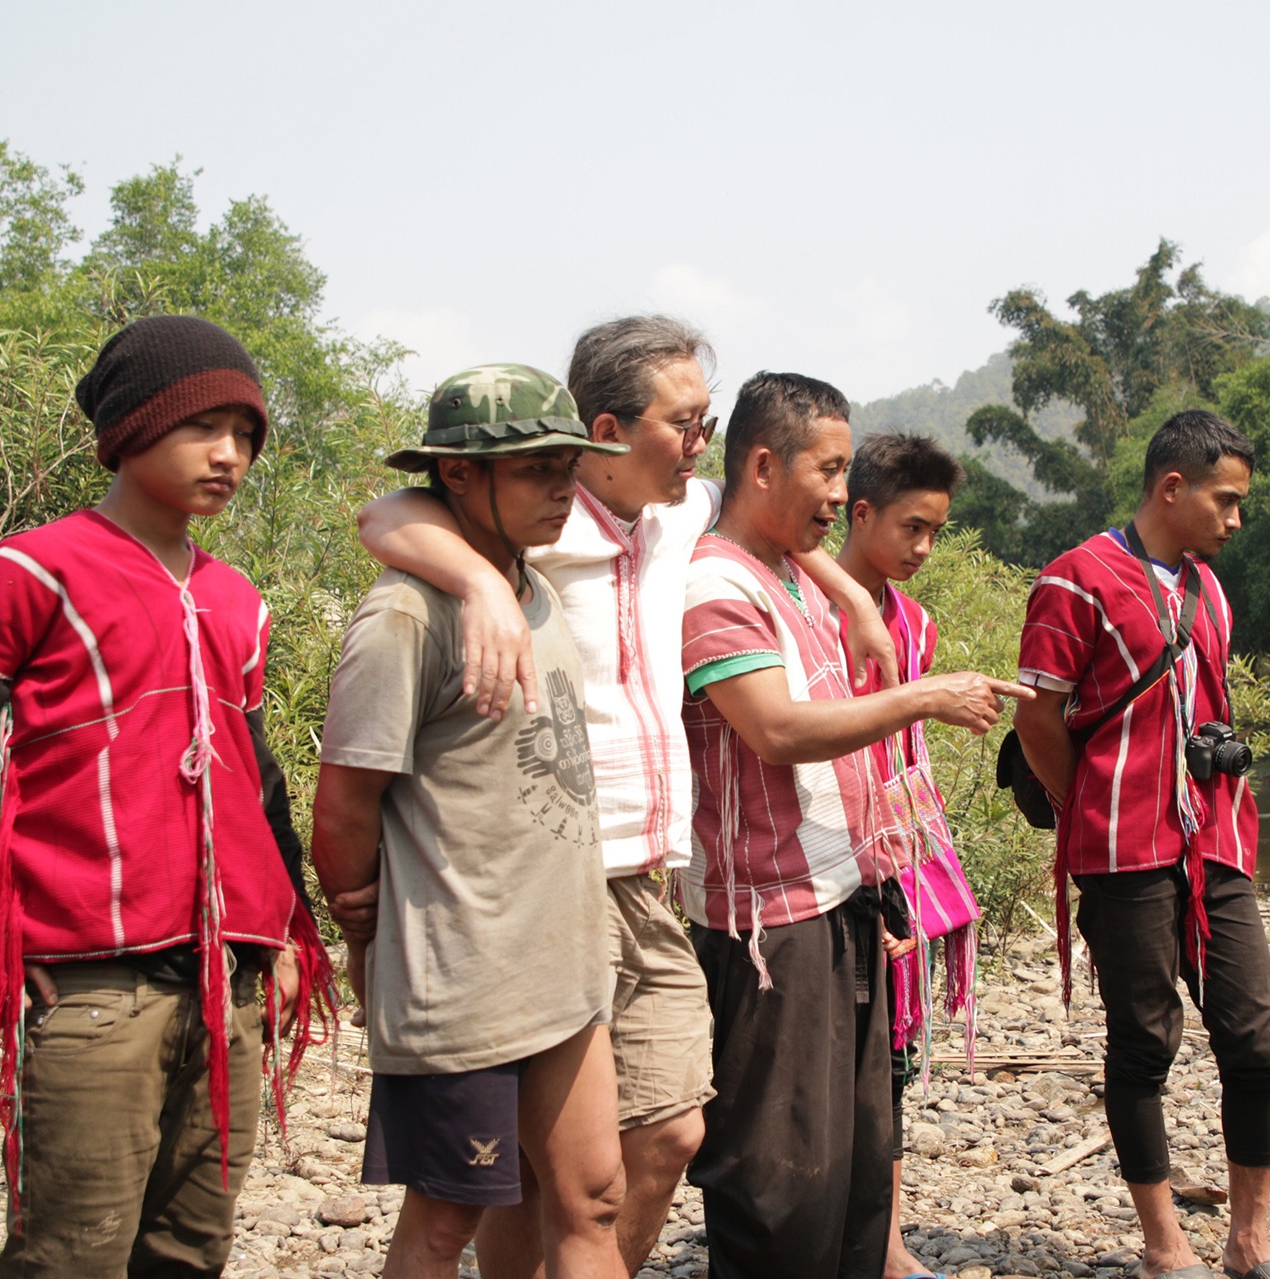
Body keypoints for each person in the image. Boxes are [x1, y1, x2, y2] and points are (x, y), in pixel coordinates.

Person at [348, 317, 899, 1278]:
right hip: (543, 884)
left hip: (647, 877)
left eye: (707, 421)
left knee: (670, 1129)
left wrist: (847, 593)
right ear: (610, 427)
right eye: (685, 422)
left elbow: (760, 515)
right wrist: (479, 584)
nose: (702, 442)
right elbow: (385, 517)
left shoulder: (676, 513)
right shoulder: (534, 531)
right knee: (515, 1175)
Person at [0, 315, 333, 1279]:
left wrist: (290, 931)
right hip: (89, 984)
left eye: (247, 432)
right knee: (71, 1254)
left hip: (231, 984)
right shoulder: (30, 572)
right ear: (130, 428)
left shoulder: (236, 598)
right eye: (203, 425)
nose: (230, 454)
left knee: (192, 1249)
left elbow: (260, 783)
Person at [680, 372, 1031, 1279]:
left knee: (855, 1164)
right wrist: (924, 693)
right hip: (771, 924)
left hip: (838, 900)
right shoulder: (718, 586)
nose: (841, 495)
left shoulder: (791, 570)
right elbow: (779, 729)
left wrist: (859, 602)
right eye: (829, 472)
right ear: (763, 466)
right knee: (779, 1185)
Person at [310, 365, 630, 1279]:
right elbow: (346, 800)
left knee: (591, 1196)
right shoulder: (406, 617)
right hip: (465, 978)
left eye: (569, 464)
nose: (563, 487)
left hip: (560, 968)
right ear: (458, 476)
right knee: (443, 1220)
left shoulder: (527, 584)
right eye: (535, 468)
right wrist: (360, 911)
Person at [1011, 410, 1270, 1279]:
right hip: (1121, 849)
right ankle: (1167, 1247)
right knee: (1144, 1041)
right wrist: (1087, 802)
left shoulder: (1209, 590)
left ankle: (1250, 1241)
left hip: (1215, 845)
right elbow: (1037, 718)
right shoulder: (1075, 579)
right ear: (1173, 487)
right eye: (1226, 499)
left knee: (1257, 1038)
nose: (1235, 519)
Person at [833, 432, 980, 1279]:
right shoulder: (809, 607)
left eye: (936, 532)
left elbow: (907, 762)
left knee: (890, 1059)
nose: (924, 548)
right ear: (861, 512)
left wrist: (914, 889)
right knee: (831, 1061)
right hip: (826, 861)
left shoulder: (914, 624)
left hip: (895, 857)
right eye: (912, 528)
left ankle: (883, 1246)